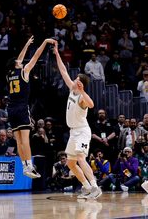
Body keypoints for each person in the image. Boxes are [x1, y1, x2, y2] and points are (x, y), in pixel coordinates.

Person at [53, 42, 102, 199]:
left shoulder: (81, 97)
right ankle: (86, 187)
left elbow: (92, 104)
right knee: (70, 163)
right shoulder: (71, 89)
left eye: (76, 79)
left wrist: (82, 91)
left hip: (82, 131)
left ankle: (95, 187)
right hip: (73, 132)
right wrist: (56, 53)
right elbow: (63, 70)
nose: (72, 79)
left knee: (81, 158)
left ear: (80, 83)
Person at [6, 36, 56, 178]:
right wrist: (45, 42)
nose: (22, 62)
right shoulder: (24, 71)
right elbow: (36, 56)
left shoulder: (9, 74)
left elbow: (19, 58)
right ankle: (29, 165)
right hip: (21, 108)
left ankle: (24, 166)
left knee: (19, 140)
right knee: (25, 139)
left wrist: (27, 44)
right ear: (17, 64)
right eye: (19, 62)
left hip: (11, 109)